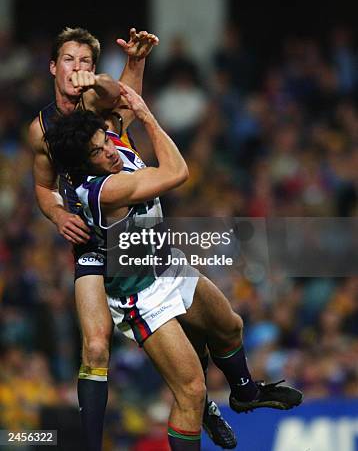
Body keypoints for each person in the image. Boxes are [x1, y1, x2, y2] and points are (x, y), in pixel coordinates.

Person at [44, 84, 303, 451]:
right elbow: (178, 172)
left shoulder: (106, 147)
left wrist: (134, 65)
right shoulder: (105, 190)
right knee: (191, 389)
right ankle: (203, 411)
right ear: (84, 164)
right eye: (98, 152)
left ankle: (244, 393)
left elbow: (122, 97)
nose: (109, 152)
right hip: (141, 296)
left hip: (165, 264)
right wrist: (147, 114)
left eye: (105, 140)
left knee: (230, 326)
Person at [28, 26, 237, 450]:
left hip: (131, 237)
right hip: (90, 241)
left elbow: (115, 94)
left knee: (183, 320)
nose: (77, 69)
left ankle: (200, 402)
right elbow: (42, 186)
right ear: (53, 67)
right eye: (69, 60)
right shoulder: (41, 129)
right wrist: (56, 214)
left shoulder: (94, 102)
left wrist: (108, 74)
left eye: (86, 61)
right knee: (97, 346)